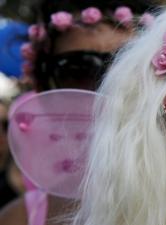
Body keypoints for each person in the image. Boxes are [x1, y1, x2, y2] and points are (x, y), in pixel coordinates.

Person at [0, 0, 154, 224]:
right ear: (45, 89)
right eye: (78, 71)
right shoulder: (18, 219)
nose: (106, 89)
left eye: (128, 67)